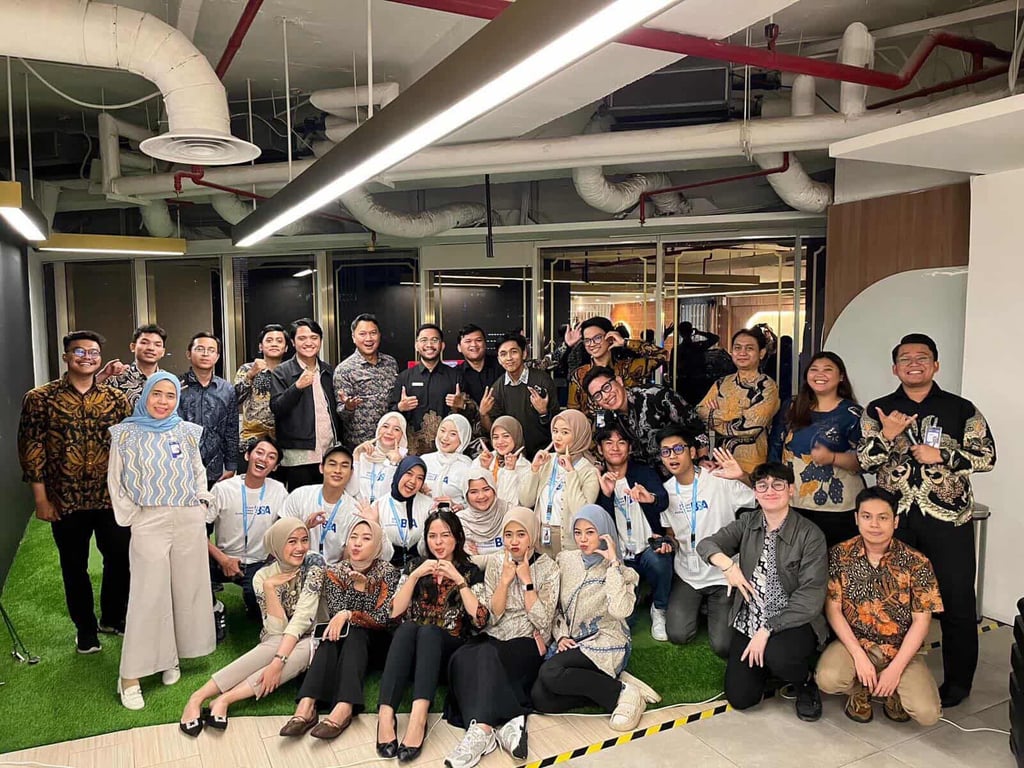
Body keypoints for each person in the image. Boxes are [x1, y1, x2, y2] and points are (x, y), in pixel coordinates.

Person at [858, 332, 996, 709]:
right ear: (895, 368)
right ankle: (887, 678)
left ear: (935, 365)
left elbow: (987, 457)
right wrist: (887, 436)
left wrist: (943, 455)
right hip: (894, 520)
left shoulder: (961, 408)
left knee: (957, 601)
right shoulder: (879, 408)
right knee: (889, 600)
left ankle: (958, 684)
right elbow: (865, 461)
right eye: (905, 358)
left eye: (922, 357)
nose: (913, 364)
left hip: (948, 518)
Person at [17, 330, 132, 652]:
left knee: (119, 559)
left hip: (109, 497)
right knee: (74, 566)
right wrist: (41, 499)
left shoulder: (116, 399)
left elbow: (128, 447)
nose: (87, 357)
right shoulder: (40, 398)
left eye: (93, 352)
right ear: (66, 356)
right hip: (64, 499)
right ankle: (85, 629)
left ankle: (113, 617)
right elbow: (31, 449)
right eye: (79, 352)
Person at [107, 372, 216, 710]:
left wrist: (201, 504)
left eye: (170, 395)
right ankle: (130, 677)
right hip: (149, 519)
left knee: (184, 590)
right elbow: (115, 481)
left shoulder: (186, 431)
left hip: (187, 519)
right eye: (157, 394)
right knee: (148, 595)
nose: (163, 401)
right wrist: (134, 516)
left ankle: (171, 657)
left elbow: (198, 472)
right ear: (145, 396)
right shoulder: (125, 433)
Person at [696, 462, 827, 721]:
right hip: (751, 616)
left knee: (779, 654)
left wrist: (767, 629)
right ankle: (770, 667)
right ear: (755, 492)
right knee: (741, 698)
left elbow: (810, 598)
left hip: (793, 620)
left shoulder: (809, 534)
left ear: (791, 490)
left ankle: (804, 683)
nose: (770, 491)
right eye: (762, 486)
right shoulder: (748, 522)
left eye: (778, 485)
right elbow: (706, 545)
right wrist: (728, 566)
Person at [179, 518, 326, 735]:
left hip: (313, 634)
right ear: (277, 544)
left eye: (304, 540)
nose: (300, 547)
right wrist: (270, 588)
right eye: (292, 541)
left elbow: (304, 617)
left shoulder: (314, 563)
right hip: (278, 637)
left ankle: (225, 699)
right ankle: (197, 697)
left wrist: (277, 663)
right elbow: (276, 630)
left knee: (303, 650)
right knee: (276, 642)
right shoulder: (263, 577)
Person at [816, 487, 944, 726]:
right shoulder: (839, 555)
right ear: (856, 518)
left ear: (895, 521)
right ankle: (860, 690)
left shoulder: (917, 562)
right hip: (855, 643)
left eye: (883, 517)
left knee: (927, 714)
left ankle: (892, 691)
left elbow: (922, 621)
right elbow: (833, 609)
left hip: (900, 648)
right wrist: (858, 655)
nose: (874, 524)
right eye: (867, 516)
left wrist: (895, 669)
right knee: (828, 679)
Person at [442, 507, 559, 768]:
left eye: (521, 534)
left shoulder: (549, 568)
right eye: (508, 535)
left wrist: (527, 581)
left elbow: (543, 621)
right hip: (494, 635)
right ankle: (506, 723)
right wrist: (505, 582)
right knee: (462, 657)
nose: (514, 541)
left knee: (488, 656)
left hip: (528, 638)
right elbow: (492, 616)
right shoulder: (497, 563)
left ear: (532, 536)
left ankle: (481, 730)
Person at [533, 505, 656, 732]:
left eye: (590, 532)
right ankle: (611, 684)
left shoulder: (625, 573)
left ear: (604, 533)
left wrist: (613, 564)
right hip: (573, 641)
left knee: (550, 672)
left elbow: (620, 610)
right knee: (540, 699)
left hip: (606, 639)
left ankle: (624, 694)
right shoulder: (565, 560)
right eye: (578, 532)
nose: (582, 539)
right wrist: (561, 636)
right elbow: (556, 607)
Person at [376, 509, 487, 761]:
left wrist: (458, 579)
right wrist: (415, 575)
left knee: (428, 632)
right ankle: (385, 715)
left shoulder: (470, 570)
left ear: (457, 538)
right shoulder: (416, 565)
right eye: (432, 536)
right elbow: (393, 612)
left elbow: (480, 619)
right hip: (412, 653)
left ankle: (419, 718)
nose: (438, 542)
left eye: (445, 535)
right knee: (407, 628)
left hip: (448, 653)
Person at [280, 518, 401, 739]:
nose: (357, 543)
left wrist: (356, 601)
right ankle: (307, 705)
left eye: (366, 538)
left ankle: (344, 707)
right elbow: (337, 611)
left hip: (379, 642)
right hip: (348, 640)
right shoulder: (336, 571)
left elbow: (383, 618)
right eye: (353, 537)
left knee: (354, 630)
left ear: (377, 545)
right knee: (334, 632)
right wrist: (349, 608)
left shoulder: (388, 572)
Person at [658, 427, 755, 658]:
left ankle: (711, 606)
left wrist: (742, 476)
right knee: (678, 634)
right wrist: (666, 542)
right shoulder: (665, 492)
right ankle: (700, 605)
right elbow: (672, 534)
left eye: (678, 449)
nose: (672, 456)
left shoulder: (719, 479)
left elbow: (758, 497)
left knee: (724, 646)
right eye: (665, 451)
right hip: (688, 574)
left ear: (692, 452)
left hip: (724, 575)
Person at [769, 351, 865, 548]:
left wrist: (832, 458)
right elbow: (775, 448)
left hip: (838, 509)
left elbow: (865, 461)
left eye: (828, 370)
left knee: (835, 561)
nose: (820, 374)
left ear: (841, 377)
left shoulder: (852, 413)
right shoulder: (791, 406)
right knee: (795, 560)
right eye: (814, 369)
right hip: (794, 502)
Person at [592, 421, 672, 641]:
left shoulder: (643, 472)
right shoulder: (596, 478)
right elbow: (599, 521)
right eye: (609, 443)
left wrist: (650, 498)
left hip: (647, 547)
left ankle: (659, 608)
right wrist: (606, 495)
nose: (615, 448)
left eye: (621, 442)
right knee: (626, 619)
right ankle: (636, 596)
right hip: (619, 556)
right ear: (600, 448)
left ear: (629, 447)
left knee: (660, 560)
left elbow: (663, 500)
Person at [207, 437, 289, 620]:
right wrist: (223, 559)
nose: (263, 459)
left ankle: (252, 600)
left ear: (275, 467)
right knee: (189, 564)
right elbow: (199, 532)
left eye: (271, 457)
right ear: (247, 455)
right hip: (222, 558)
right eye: (259, 452)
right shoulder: (223, 489)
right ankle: (214, 607)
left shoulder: (279, 491)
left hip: (258, 562)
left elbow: (286, 530)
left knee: (258, 609)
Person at [582, 365, 706, 473]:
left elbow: (696, 427)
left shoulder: (656, 396)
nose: (605, 396)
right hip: (643, 477)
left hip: (680, 469)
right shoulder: (605, 417)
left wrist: (703, 460)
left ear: (619, 381)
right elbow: (602, 449)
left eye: (606, 387)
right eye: (597, 395)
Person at [270, 318, 344, 491]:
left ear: (320, 341)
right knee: (301, 501)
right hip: (299, 454)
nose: (309, 343)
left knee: (326, 500)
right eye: (302, 338)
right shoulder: (282, 371)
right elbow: (277, 408)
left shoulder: (328, 370)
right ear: (293, 342)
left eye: (314, 337)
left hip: (328, 450)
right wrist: (297, 387)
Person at [696, 328, 781, 475]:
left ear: (761, 353)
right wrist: (739, 414)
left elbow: (751, 426)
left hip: (751, 465)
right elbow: (699, 413)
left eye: (749, 348)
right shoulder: (722, 383)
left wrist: (715, 415)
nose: (742, 353)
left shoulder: (767, 387)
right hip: (718, 463)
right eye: (737, 348)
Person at [281, 445, 384, 565]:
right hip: (296, 564)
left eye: (344, 466)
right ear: (321, 468)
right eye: (332, 464)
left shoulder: (355, 510)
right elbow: (280, 536)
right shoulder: (300, 495)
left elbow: (351, 554)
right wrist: (305, 527)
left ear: (351, 472)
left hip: (335, 570)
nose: (338, 470)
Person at [519, 410, 600, 557]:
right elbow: (526, 501)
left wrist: (570, 473)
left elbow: (581, 512)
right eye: (555, 431)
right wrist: (534, 469)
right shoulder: (546, 460)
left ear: (579, 435)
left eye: (565, 432)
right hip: (541, 539)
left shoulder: (589, 471)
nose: (557, 437)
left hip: (570, 545)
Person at [566, 317, 668, 413]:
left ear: (610, 337)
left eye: (597, 338)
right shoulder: (579, 375)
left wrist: (625, 342)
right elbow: (573, 413)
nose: (592, 344)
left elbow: (661, 355)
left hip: (631, 424)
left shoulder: (628, 368)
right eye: (587, 340)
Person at [480, 332, 558, 457]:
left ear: (524, 353)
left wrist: (543, 412)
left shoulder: (542, 380)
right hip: (512, 457)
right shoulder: (497, 388)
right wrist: (483, 414)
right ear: (499, 359)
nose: (509, 358)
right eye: (503, 354)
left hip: (543, 453)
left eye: (514, 352)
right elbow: (493, 430)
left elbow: (557, 424)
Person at [177, 332, 239, 489]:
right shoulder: (176, 386)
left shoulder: (226, 389)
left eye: (211, 350)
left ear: (217, 357)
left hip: (215, 468)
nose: (205, 354)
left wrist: (231, 465)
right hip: (180, 466)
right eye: (200, 349)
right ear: (188, 354)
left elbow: (231, 430)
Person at [388, 323, 460, 455]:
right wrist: (400, 407)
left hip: (447, 450)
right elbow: (390, 413)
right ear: (416, 346)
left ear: (442, 345)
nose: (429, 345)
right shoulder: (404, 377)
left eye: (434, 340)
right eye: (424, 340)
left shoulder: (456, 376)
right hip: (413, 451)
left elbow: (470, 416)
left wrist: (461, 405)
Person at [333, 313, 399, 450]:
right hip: (361, 446)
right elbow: (342, 415)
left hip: (389, 442)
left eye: (373, 333)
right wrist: (349, 407)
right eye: (362, 334)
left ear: (379, 335)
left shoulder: (391, 363)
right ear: (353, 337)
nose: (368, 338)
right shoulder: (344, 369)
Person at [234, 324, 288, 465]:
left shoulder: (289, 372)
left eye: (279, 341)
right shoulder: (247, 368)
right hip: (250, 441)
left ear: (286, 348)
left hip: (282, 442)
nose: (274, 344)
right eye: (269, 340)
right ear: (260, 346)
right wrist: (251, 375)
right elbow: (235, 398)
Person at [375, 455, 434, 567]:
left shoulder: (428, 505)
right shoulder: (378, 506)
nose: (413, 481)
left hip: (419, 568)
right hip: (386, 569)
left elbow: (427, 550)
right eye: (409, 473)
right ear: (399, 473)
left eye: (419, 478)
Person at [101, 323, 168, 406]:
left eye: (157, 345)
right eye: (144, 343)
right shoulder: (116, 377)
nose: (151, 348)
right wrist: (102, 375)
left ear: (163, 352)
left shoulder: (167, 380)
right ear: (133, 347)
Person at [351, 411, 409, 504]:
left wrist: (393, 464)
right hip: (359, 510)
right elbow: (351, 490)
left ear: (402, 436)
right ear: (378, 429)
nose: (389, 432)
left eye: (396, 429)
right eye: (385, 426)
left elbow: (388, 495)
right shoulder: (364, 455)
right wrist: (356, 455)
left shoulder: (406, 464)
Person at [472, 415, 529, 506]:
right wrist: (484, 469)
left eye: (506, 436)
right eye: (495, 437)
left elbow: (509, 503)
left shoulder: (526, 467)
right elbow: (472, 495)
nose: (500, 442)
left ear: (516, 437)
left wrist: (510, 471)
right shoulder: (483, 459)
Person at [422, 414, 473, 510]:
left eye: (453, 434)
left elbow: (476, 503)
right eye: (442, 431)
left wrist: (459, 506)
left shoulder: (467, 466)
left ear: (463, 438)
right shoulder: (424, 460)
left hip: (453, 517)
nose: (445, 437)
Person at [459, 468, 511, 555]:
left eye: (486, 489)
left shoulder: (509, 511)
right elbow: (470, 559)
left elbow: (517, 552)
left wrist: (480, 557)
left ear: (494, 489)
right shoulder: (461, 521)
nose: (481, 496)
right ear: (466, 495)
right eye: (474, 492)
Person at [667, 321, 720, 406]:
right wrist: (699, 332)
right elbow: (715, 338)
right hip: (698, 381)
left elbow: (672, 368)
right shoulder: (698, 346)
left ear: (680, 333)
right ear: (691, 331)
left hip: (684, 383)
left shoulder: (678, 349)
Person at [455, 324, 501, 408]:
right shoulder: (455, 375)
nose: (474, 344)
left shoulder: (501, 365)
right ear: (459, 348)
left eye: (478, 340)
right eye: (468, 341)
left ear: (485, 344)